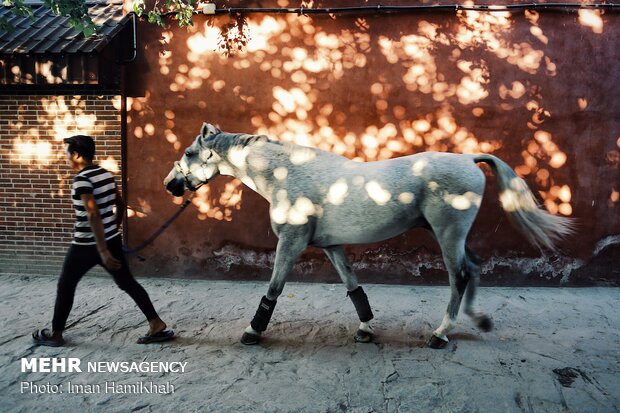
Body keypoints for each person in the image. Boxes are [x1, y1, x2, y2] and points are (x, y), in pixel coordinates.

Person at [32, 135, 173, 346]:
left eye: (67, 154)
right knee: (127, 283)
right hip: (111, 240)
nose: (66, 158)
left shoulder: (82, 180)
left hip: (85, 246)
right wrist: (112, 230)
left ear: (77, 154)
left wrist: (103, 250)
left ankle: (56, 334)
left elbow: (93, 215)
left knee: (66, 285)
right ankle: (156, 323)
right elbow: (120, 203)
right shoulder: (105, 174)